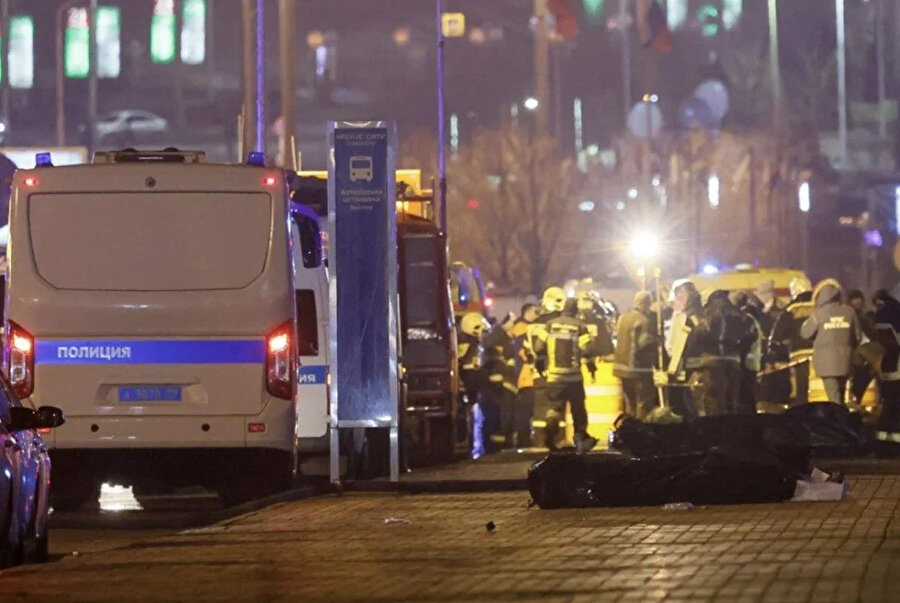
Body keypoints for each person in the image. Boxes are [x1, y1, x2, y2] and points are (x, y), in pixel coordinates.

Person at [533, 298, 598, 454]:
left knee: (554, 408)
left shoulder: (550, 325)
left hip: (554, 377)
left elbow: (538, 347)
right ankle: (581, 439)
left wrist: (540, 364)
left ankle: (550, 429)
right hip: (574, 378)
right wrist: (591, 368)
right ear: (575, 310)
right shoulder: (579, 326)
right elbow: (587, 350)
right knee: (578, 410)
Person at [800, 280, 860, 404]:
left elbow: (805, 333)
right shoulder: (849, 312)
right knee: (841, 396)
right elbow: (858, 337)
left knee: (833, 397)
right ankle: (842, 414)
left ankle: (837, 415)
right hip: (846, 361)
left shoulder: (818, 314)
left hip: (826, 364)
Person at [770, 277, 815, 406]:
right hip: (821, 354)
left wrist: (775, 354)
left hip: (799, 355)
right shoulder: (820, 305)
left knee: (802, 390)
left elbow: (777, 335)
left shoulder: (791, 309)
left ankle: (802, 413)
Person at [614, 291, 658, 419]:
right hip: (637, 369)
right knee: (644, 402)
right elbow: (643, 343)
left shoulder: (622, 317)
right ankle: (640, 427)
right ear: (646, 304)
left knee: (630, 403)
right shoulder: (643, 321)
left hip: (620, 368)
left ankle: (629, 426)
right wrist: (656, 340)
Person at [482, 313, 519, 450]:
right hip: (500, 384)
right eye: (513, 323)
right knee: (501, 415)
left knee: (508, 415)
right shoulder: (496, 339)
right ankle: (496, 445)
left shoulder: (507, 339)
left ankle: (506, 442)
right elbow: (494, 359)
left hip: (509, 383)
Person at [872, 289, 900, 450]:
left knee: (888, 404)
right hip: (894, 366)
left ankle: (884, 443)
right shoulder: (895, 311)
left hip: (889, 365)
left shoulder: (884, 314)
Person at [458, 312, 487, 458]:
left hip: (475, 384)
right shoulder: (465, 342)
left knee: (477, 418)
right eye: (478, 327)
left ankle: (476, 448)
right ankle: (472, 447)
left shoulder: (475, 341)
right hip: (469, 385)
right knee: (471, 418)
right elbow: (459, 362)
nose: (481, 330)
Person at [510, 303, 540, 447]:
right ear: (527, 312)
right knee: (526, 410)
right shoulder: (522, 328)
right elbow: (523, 351)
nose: (538, 315)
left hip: (526, 375)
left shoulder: (522, 327)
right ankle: (524, 440)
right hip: (526, 376)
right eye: (536, 312)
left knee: (526, 410)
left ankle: (525, 439)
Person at [730, 290, 765, 414]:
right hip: (751, 364)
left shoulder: (745, 319)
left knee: (745, 399)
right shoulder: (750, 318)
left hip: (746, 365)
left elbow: (745, 342)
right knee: (748, 397)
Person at [848, 289, 879, 404]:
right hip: (856, 354)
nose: (857, 302)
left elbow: (873, 334)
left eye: (859, 298)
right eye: (854, 299)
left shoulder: (866, 317)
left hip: (865, 354)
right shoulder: (850, 316)